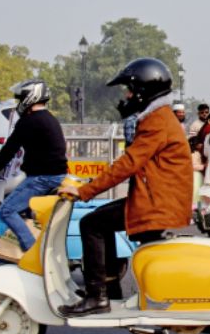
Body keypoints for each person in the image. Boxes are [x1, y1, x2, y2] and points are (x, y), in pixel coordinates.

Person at [58, 58, 193, 316]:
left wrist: (86, 191)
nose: (127, 96)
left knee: (91, 224)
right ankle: (110, 290)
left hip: (157, 203)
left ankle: (97, 296)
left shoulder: (156, 121)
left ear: (143, 91)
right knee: (99, 220)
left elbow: (129, 163)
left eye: (130, 90)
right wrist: (88, 184)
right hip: (158, 198)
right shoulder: (158, 117)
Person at [0, 79, 69, 259]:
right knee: (23, 211)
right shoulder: (49, 118)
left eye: (21, 98)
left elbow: (8, 150)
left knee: (6, 211)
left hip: (42, 178)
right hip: (56, 175)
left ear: (29, 98)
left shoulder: (29, 121)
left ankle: (33, 254)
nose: (19, 103)